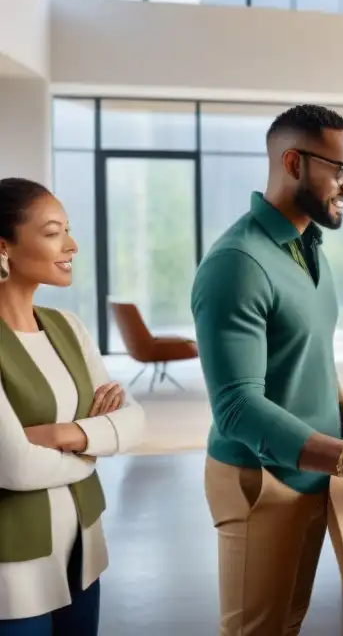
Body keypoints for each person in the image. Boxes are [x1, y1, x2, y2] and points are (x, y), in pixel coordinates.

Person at [191, 104, 343, 636]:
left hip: (313, 468)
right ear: (293, 162)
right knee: (256, 630)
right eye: (339, 170)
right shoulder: (237, 264)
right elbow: (237, 407)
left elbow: (311, 352)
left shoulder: (310, 247)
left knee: (287, 622)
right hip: (260, 480)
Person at [0, 177, 145, 635]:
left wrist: (67, 436)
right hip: (15, 565)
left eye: (68, 229)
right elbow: (14, 467)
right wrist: (94, 449)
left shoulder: (67, 325)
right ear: (3, 247)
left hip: (83, 549)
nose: (72, 245)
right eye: (52, 232)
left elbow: (134, 418)